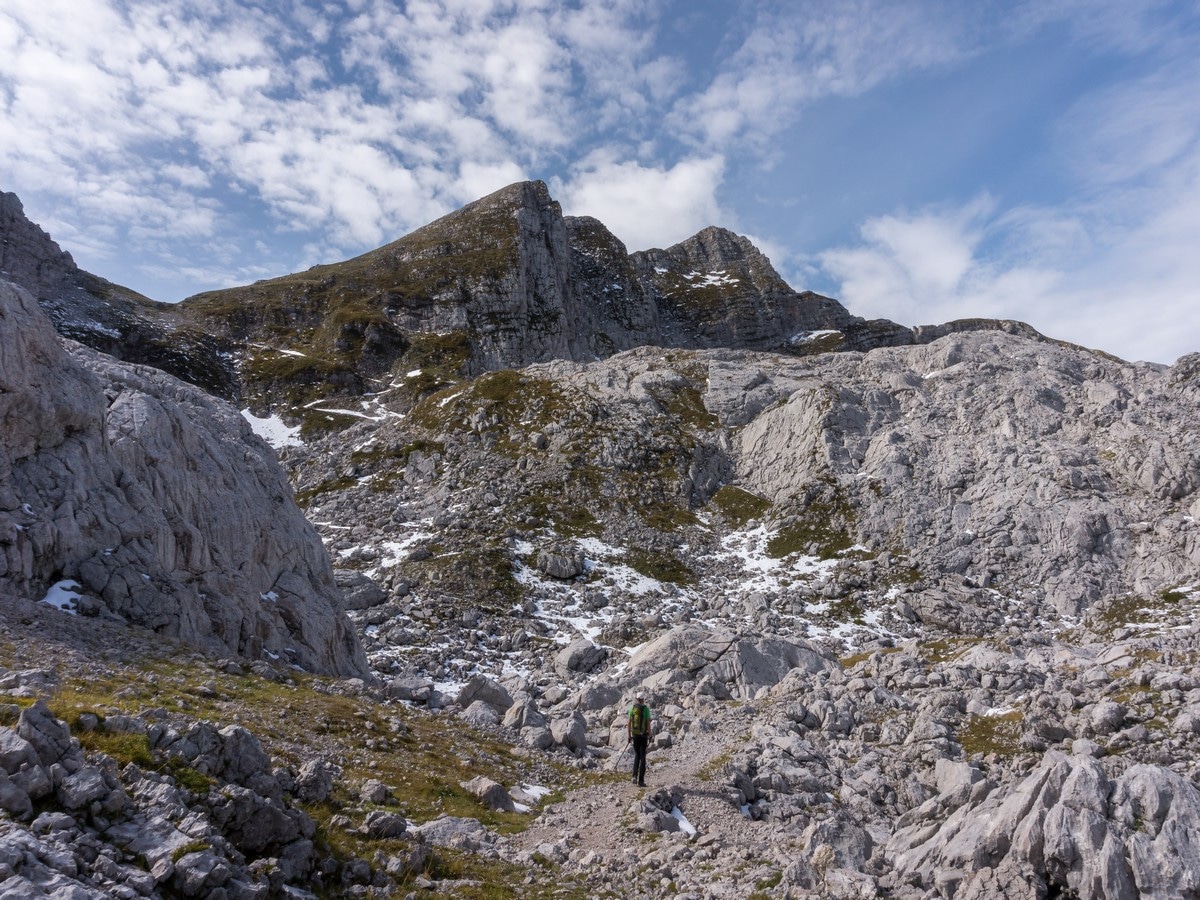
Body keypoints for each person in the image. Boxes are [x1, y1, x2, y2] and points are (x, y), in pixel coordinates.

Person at [627, 695, 651, 787]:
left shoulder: (632, 709)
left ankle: (634, 776)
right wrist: (650, 735)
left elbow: (629, 723)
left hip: (635, 735)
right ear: (643, 699)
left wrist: (629, 736)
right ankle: (641, 781)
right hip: (643, 736)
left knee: (637, 755)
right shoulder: (646, 709)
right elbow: (648, 723)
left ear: (637, 699)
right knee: (643, 757)